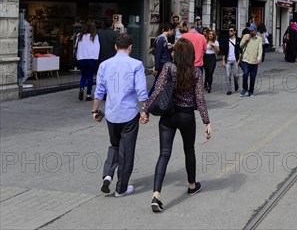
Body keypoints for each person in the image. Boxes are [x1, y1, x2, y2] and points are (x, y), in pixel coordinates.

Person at [143, 39, 211, 212]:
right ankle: (191, 185)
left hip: (168, 115)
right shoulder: (196, 72)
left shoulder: (168, 68)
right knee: (189, 150)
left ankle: (156, 195)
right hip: (187, 116)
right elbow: (200, 98)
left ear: (176, 54)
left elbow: (157, 89)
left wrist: (146, 110)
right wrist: (206, 121)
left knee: (164, 154)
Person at [92, 34, 149, 197]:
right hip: (129, 114)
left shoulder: (104, 65)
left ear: (115, 47)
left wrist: (95, 111)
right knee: (127, 151)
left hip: (111, 113)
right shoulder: (136, 65)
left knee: (115, 145)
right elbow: (141, 91)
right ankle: (121, 188)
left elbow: (99, 91)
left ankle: (108, 174)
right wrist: (145, 110)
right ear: (130, 47)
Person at [76, 22, 100, 101]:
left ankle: (82, 88)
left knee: (83, 75)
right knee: (90, 76)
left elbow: (76, 47)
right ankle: (88, 95)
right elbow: (97, 48)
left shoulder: (79, 36)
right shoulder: (95, 36)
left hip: (81, 58)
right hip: (92, 58)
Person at [151, 23, 174, 96]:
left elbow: (164, 52)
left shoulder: (163, 38)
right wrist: (156, 68)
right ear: (170, 30)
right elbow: (157, 54)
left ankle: (151, 100)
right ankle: (149, 99)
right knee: (158, 83)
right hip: (161, 64)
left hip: (162, 63)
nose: (172, 33)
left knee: (159, 82)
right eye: (173, 31)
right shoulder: (161, 39)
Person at [239, 28, 263, 97]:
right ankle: (245, 88)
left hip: (254, 61)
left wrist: (259, 58)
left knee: (253, 77)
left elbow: (260, 49)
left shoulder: (259, 39)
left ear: (255, 31)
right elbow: (240, 46)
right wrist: (245, 41)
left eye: (252, 31)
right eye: (250, 31)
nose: (251, 32)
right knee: (245, 74)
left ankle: (251, 91)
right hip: (246, 59)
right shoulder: (246, 36)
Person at [221, 26, 241, 95]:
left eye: (231, 30)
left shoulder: (238, 40)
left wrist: (239, 60)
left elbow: (240, 51)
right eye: (229, 31)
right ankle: (229, 90)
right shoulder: (226, 40)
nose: (230, 32)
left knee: (236, 75)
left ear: (235, 32)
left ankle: (236, 84)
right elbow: (224, 52)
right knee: (228, 75)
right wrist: (223, 60)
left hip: (235, 60)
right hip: (228, 60)